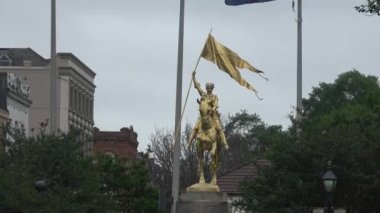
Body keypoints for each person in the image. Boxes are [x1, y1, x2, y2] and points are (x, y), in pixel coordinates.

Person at [188, 71, 229, 150]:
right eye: (207, 88)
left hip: (212, 114)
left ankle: (225, 143)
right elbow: (198, 87)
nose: (209, 89)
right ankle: (189, 142)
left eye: (210, 88)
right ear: (206, 88)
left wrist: (213, 109)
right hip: (202, 115)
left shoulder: (214, 97)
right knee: (196, 128)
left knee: (219, 128)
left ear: (212, 88)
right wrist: (193, 78)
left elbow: (216, 104)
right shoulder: (203, 95)